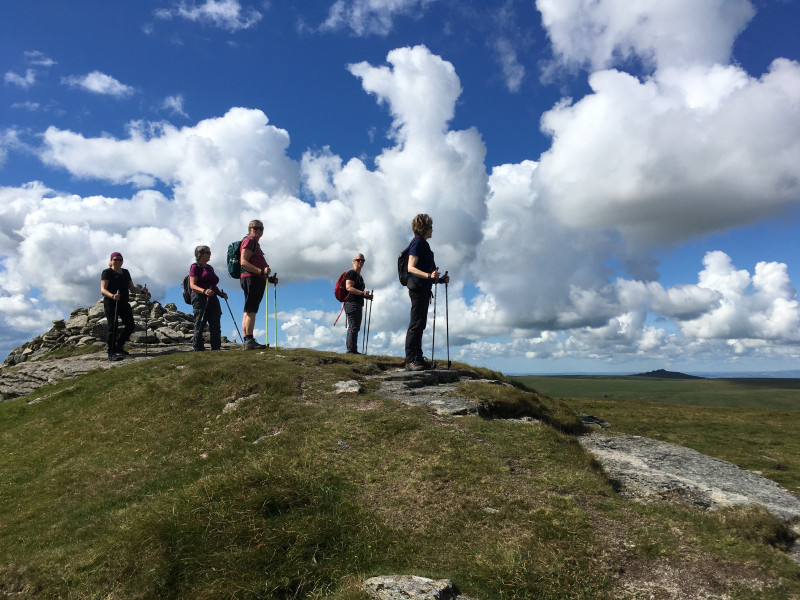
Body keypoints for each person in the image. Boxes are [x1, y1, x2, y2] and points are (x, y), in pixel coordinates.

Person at [405, 214, 449, 371]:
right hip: (417, 288)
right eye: (430, 227)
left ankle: (417, 357)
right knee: (416, 323)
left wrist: (441, 279)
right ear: (424, 228)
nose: (432, 230)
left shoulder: (424, 245)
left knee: (420, 323)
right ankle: (411, 359)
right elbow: (410, 268)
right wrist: (429, 276)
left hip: (423, 288)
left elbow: (431, 273)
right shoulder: (417, 243)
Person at [100, 252, 148, 362]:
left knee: (130, 325)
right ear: (111, 261)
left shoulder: (125, 272)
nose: (118, 262)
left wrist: (141, 291)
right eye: (115, 259)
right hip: (111, 302)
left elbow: (131, 288)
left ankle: (118, 346)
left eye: (120, 260)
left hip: (123, 302)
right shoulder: (107, 272)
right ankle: (111, 352)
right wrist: (112, 296)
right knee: (113, 326)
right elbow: (103, 289)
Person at [239, 220, 278, 350]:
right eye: (256, 228)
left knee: (248, 310)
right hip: (252, 279)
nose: (259, 230)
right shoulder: (249, 241)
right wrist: (261, 271)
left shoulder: (255, 244)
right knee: (251, 310)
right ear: (250, 228)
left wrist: (269, 278)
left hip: (254, 278)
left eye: (261, 228)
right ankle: (249, 340)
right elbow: (243, 262)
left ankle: (247, 340)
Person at [188, 245, 228, 351]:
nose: (210, 254)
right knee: (200, 321)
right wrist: (204, 291)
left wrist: (220, 294)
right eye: (207, 252)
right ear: (200, 254)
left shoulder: (209, 268)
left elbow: (213, 285)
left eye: (210, 252)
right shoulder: (195, 267)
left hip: (213, 297)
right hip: (199, 297)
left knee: (215, 322)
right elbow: (192, 285)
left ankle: (216, 347)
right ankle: (198, 347)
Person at [343, 253, 374, 354]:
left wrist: (366, 296)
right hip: (352, 303)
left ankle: (352, 349)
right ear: (353, 261)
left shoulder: (359, 277)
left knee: (355, 326)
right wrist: (362, 293)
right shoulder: (351, 273)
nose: (360, 262)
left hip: (357, 303)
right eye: (358, 260)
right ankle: (351, 350)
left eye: (362, 260)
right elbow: (349, 288)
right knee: (353, 326)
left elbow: (357, 292)